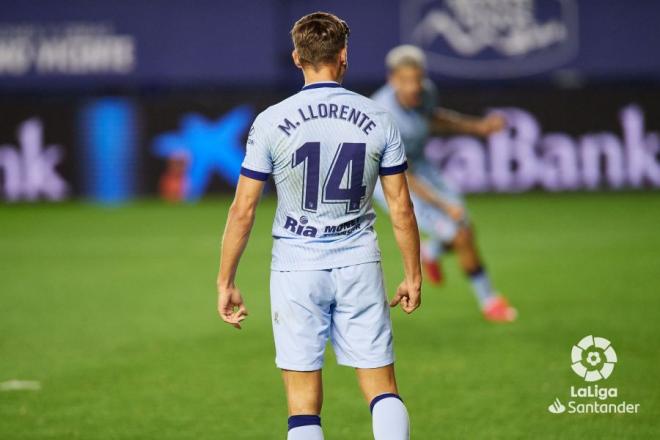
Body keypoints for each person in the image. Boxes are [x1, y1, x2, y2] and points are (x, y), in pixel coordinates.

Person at [216, 13, 422, 440]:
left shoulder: (271, 121)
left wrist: (226, 280)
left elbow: (243, 210)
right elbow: (400, 205)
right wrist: (413, 273)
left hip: (296, 267)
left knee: (303, 407)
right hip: (359, 263)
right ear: (343, 56)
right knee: (382, 390)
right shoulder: (379, 118)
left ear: (297, 58)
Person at [372, 45, 517, 322]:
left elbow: (434, 118)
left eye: (417, 79)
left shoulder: (426, 92)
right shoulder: (384, 116)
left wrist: (478, 127)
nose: (414, 87)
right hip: (391, 180)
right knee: (459, 233)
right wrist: (443, 204)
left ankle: (432, 250)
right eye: (406, 81)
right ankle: (490, 302)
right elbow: (402, 177)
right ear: (392, 80)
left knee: (464, 227)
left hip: (420, 168)